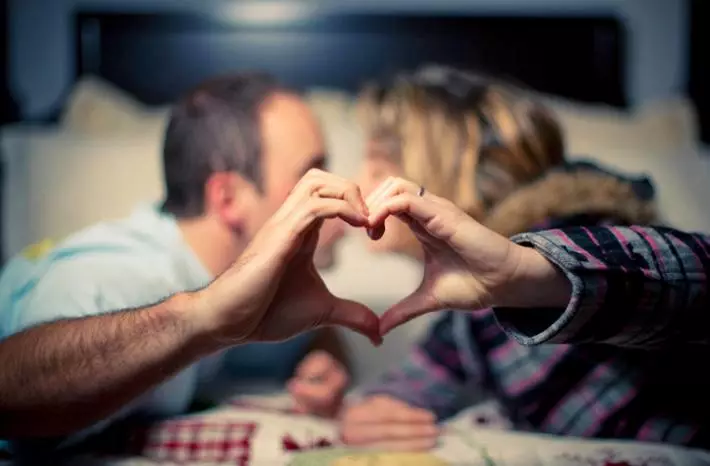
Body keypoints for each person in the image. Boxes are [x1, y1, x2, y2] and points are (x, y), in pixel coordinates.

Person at [337, 66, 709, 450]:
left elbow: (687, 279)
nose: (357, 179)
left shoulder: (581, 228)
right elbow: (421, 379)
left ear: (447, 177)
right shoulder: (469, 319)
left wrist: (528, 272)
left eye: (378, 164)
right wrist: (370, 409)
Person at [0, 74, 352, 444]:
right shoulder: (120, 275)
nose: (340, 196)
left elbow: (309, 335)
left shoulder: (236, 278)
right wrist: (199, 319)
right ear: (228, 199)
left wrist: (323, 359)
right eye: (312, 178)